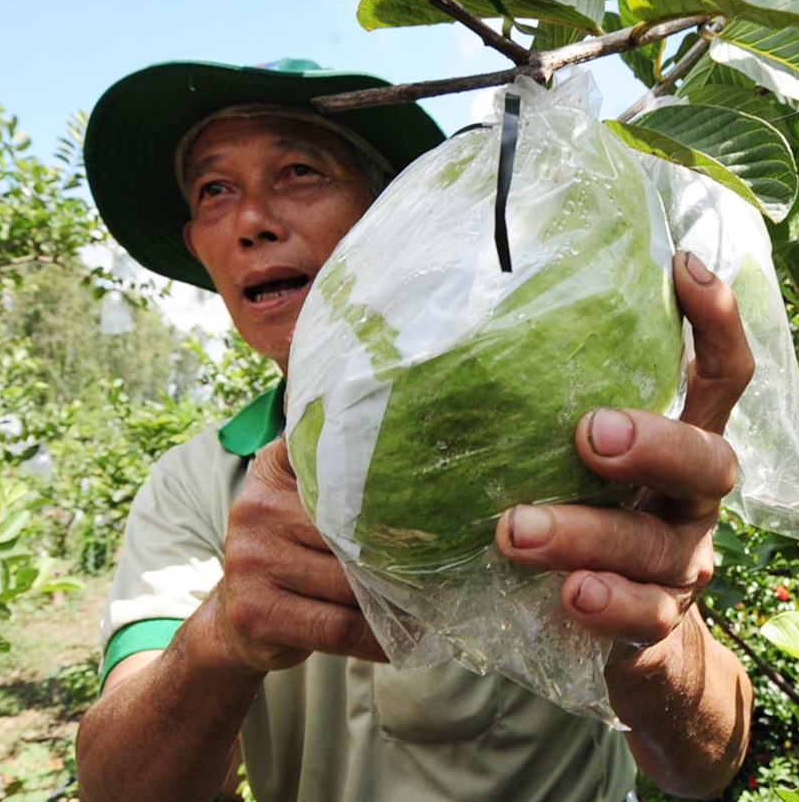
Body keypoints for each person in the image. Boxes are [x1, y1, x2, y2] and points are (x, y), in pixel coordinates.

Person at [74, 58, 755, 802]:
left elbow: (704, 766)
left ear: (397, 219)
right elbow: (113, 787)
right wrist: (220, 638)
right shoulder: (195, 483)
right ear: (196, 242)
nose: (250, 222)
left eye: (300, 172)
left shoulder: (565, 436)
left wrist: (650, 638)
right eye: (214, 191)